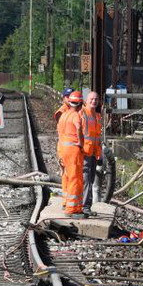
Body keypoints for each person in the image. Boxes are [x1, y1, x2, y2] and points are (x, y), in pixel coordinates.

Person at [59, 91, 86, 219]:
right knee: (76, 178)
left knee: (68, 176)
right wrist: (81, 144)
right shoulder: (76, 115)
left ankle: (68, 203)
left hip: (63, 148)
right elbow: (79, 129)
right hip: (73, 150)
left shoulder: (64, 115)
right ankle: (71, 209)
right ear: (80, 104)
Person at [81, 91, 102, 216]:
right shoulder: (82, 114)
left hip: (93, 153)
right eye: (92, 99)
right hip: (85, 152)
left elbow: (98, 137)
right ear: (86, 100)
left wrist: (100, 154)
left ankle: (86, 206)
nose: (94, 101)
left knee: (91, 179)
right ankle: (85, 207)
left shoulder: (97, 116)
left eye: (96, 99)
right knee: (86, 180)